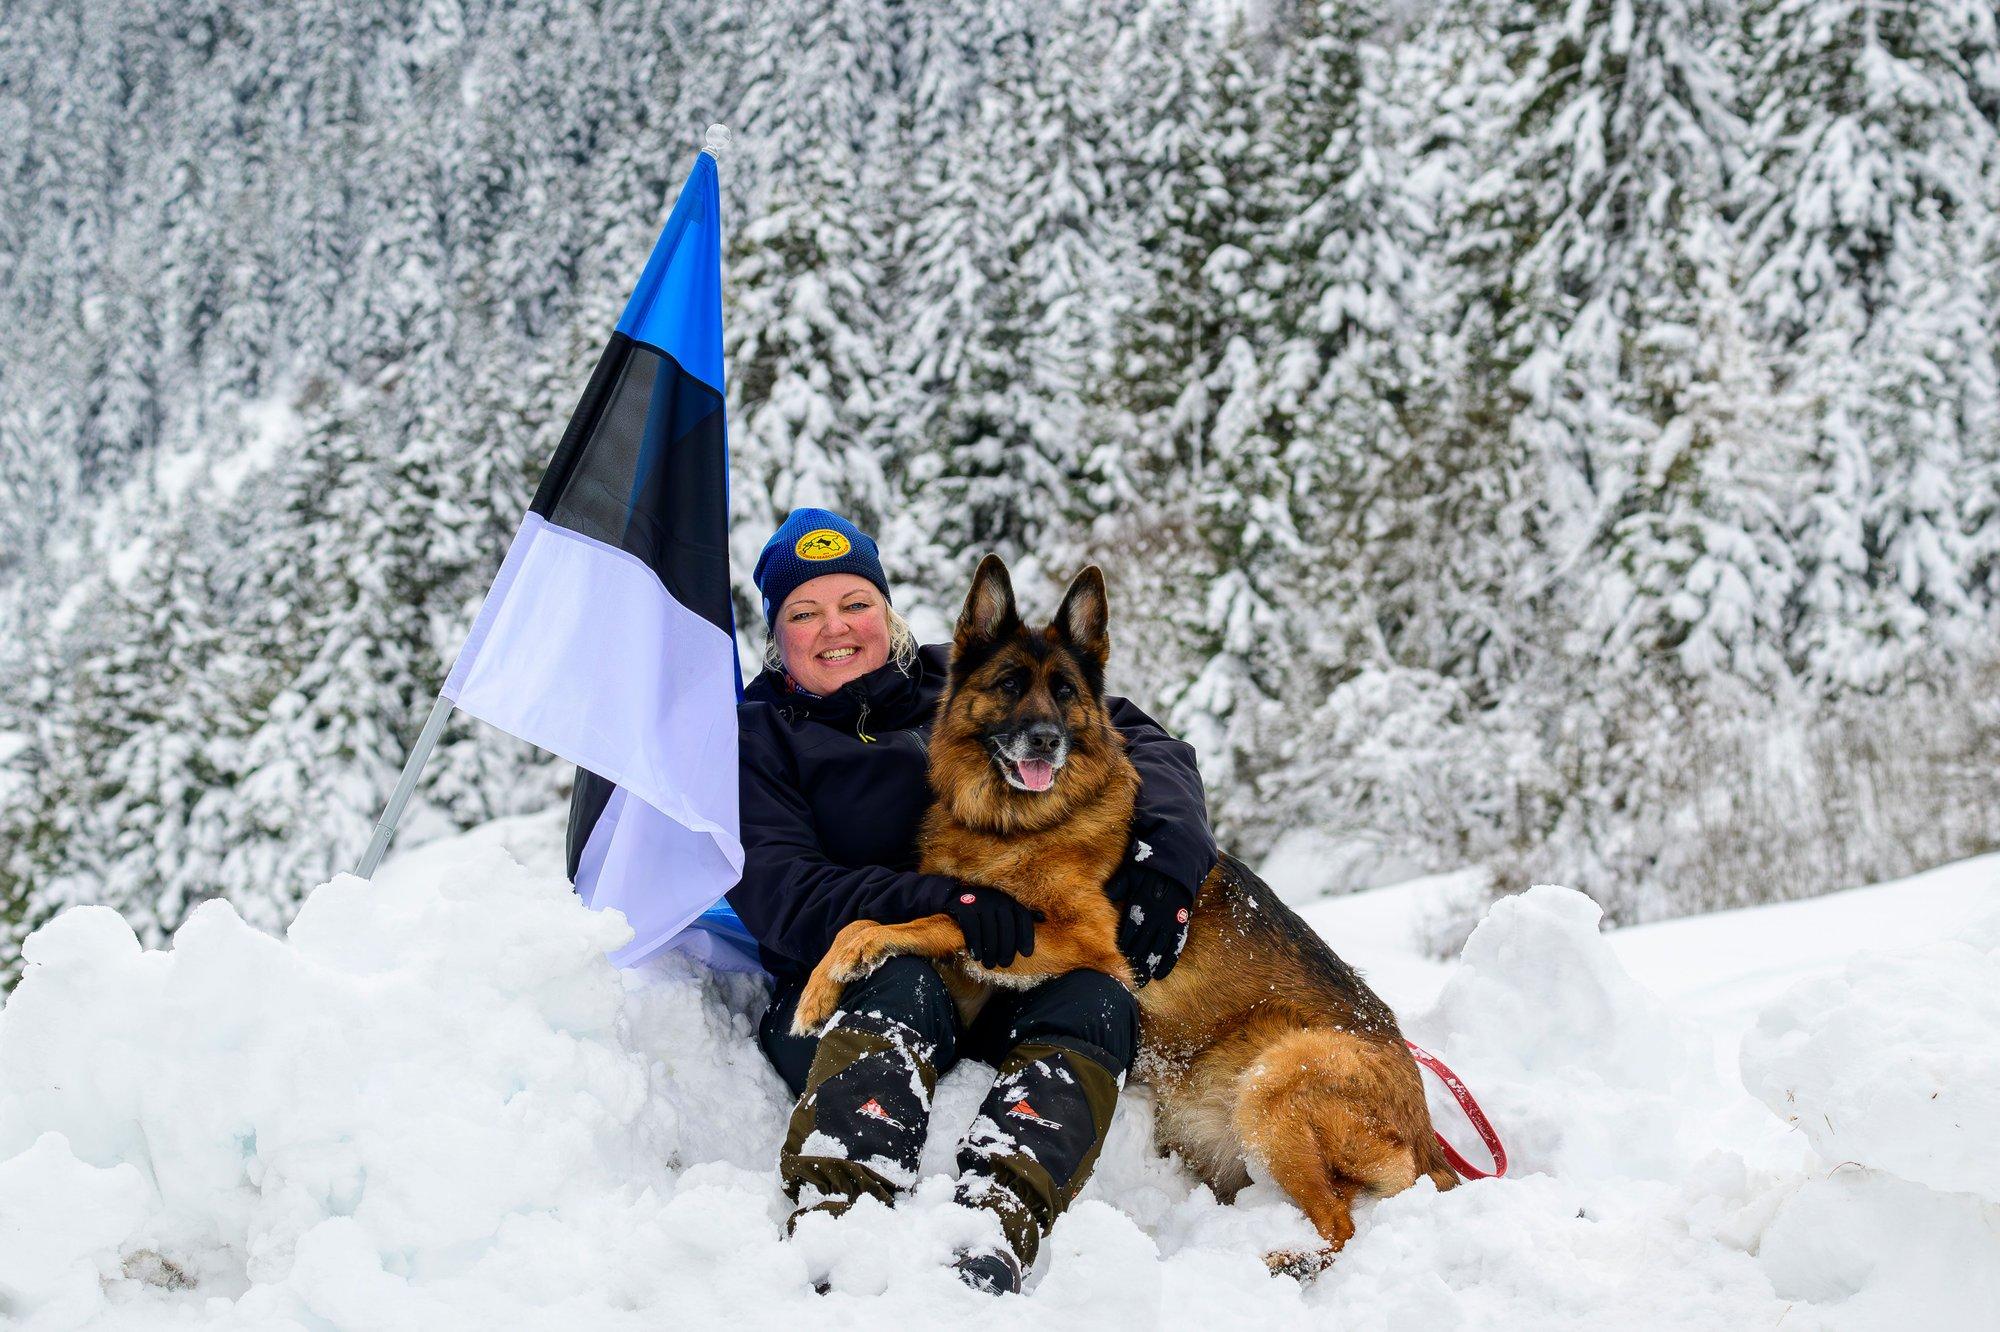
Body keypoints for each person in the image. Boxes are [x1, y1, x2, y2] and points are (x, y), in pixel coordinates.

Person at [727, 507, 1217, 1295]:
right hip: (847, 997)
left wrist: (1170, 856)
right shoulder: (755, 737)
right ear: (776, 633)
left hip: (989, 973)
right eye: (804, 613)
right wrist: (945, 900)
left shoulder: (962, 679)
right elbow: (785, 891)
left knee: (1098, 997)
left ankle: (998, 1218)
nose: (836, 628)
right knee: (903, 977)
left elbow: (1139, 739)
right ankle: (838, 1223)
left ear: (885, 609)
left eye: (854, 602)